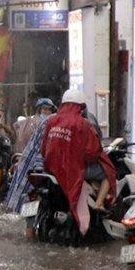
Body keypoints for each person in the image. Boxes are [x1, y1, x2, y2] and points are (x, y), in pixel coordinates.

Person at [42, 88, 117, 234]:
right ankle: (99, 204)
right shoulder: (82, 123)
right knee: (109, 172)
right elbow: (93, 152)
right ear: (80, 106)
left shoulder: (51, 121)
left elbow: (44, 148)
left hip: (52, 168)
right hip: (73, 170)